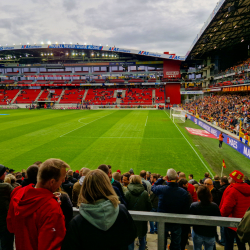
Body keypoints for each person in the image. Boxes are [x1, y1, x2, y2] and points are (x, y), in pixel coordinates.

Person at [62, 169, 137, 250]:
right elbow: (131, 236)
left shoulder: (77, 223)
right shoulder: (122, 211)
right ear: (107, 186)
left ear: (85, 188)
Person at [7, 158, 69, 250]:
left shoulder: (18, 193)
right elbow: (51, 246)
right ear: (52, 182)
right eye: (62, 179)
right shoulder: (51, 208)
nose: (63, 181)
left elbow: (10, 227)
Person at [152, 168, 190, 250]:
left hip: (163, 221)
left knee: (162, 244)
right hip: (176, 221)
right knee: (176, 245)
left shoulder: (161, 189)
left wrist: (161, 179)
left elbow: (153, 187)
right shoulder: (183, 192)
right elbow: (186, 208)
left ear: (167, 178)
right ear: (177, 178)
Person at [220, 170, 250, 250]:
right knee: (241, 245)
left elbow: (226, 208)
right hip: (244, 223)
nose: (229, 177)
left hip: (231, 223)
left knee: (228, 245)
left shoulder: (232, 190)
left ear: (236, 180)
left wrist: (222, 216)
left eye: (231, 176)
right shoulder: (248, 188)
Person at [190, 185, 221, 250]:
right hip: (210, 233)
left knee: (197, 248)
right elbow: (218, 219)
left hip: (197, 232)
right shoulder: (214, 206)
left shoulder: (194, 205)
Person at [125, 175, 152, 250]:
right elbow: (149, 207)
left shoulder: (127, 193)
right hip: (142, 220)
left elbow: (124, 207)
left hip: (130, 220)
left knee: (130, 240)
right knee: (142, 238)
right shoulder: (145, 193)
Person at [0, 164, 14, 250]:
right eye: (3, 172)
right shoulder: (6, 187)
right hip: (5, 221)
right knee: (7, 245)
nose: (5, 173)